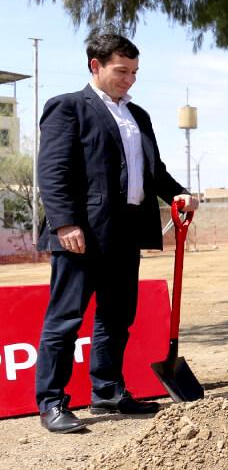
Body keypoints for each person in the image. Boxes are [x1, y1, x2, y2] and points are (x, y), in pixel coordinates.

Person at [34, 34, 196, 434]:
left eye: (134, 72)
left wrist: (178, 193)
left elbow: (152, 170)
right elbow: (52, 171)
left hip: (126, 232)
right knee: (66, 319)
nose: (129, 80)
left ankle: (107, 391)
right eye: (121, 71)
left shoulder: (137, 115)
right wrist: (65, 222)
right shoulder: (68, 107)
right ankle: (52, 402)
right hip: (81, 232)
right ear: (96, 66)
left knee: (117, 316)